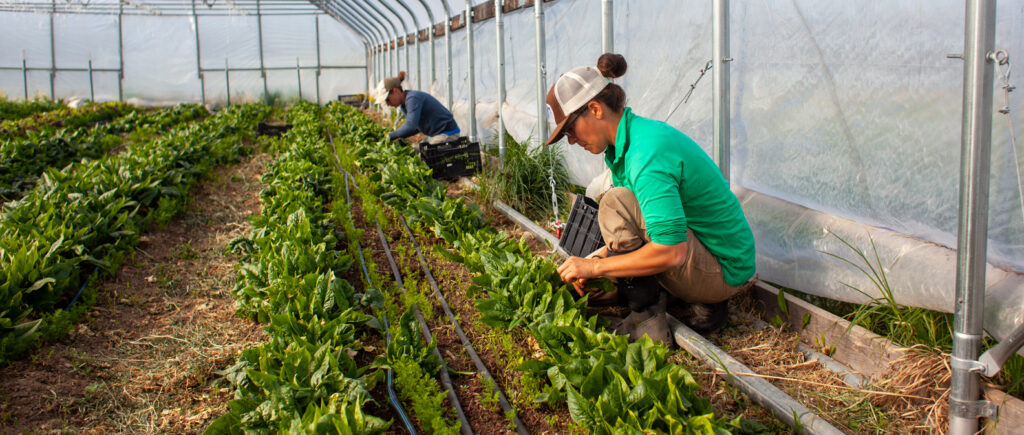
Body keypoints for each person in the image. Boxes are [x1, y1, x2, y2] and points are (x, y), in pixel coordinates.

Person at [550, 54, 757, 346]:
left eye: (570, 130)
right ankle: (693, 303)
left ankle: (647, 322)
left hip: (722, 271)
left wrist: (595, 268)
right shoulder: (632, 140)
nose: (572, 141)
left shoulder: (646, 155)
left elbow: (671, 252)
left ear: (595, 109)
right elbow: (644, 229)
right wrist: (593, 260)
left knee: (614, 204)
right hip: (711, 257)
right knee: (593, 289)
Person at [380, 71, 461, 144]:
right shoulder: (404, 105)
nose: (387, 104)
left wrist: (390, 136)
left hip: (448, 133)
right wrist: (400, 136)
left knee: (423, 157)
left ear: (396, 91)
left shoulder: (412, 99)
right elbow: (416, 127)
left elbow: (411, 126)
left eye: (387, 99)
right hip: (438, 134)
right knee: (416, 151)